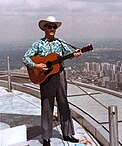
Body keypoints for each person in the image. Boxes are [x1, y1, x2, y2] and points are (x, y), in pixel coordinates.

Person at [22, 16, 82, 146]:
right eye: (49, 26)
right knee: (47, 105)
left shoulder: (60, 42)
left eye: (54, 27)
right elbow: (26, 58)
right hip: (46, 77)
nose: (52, 29)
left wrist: (75, 54)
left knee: (63, 103)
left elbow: (69, 54)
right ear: (44, 28)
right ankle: (46, 137)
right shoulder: (38, 43)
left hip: (59, 74)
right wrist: (36, 66)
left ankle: (67, 134)